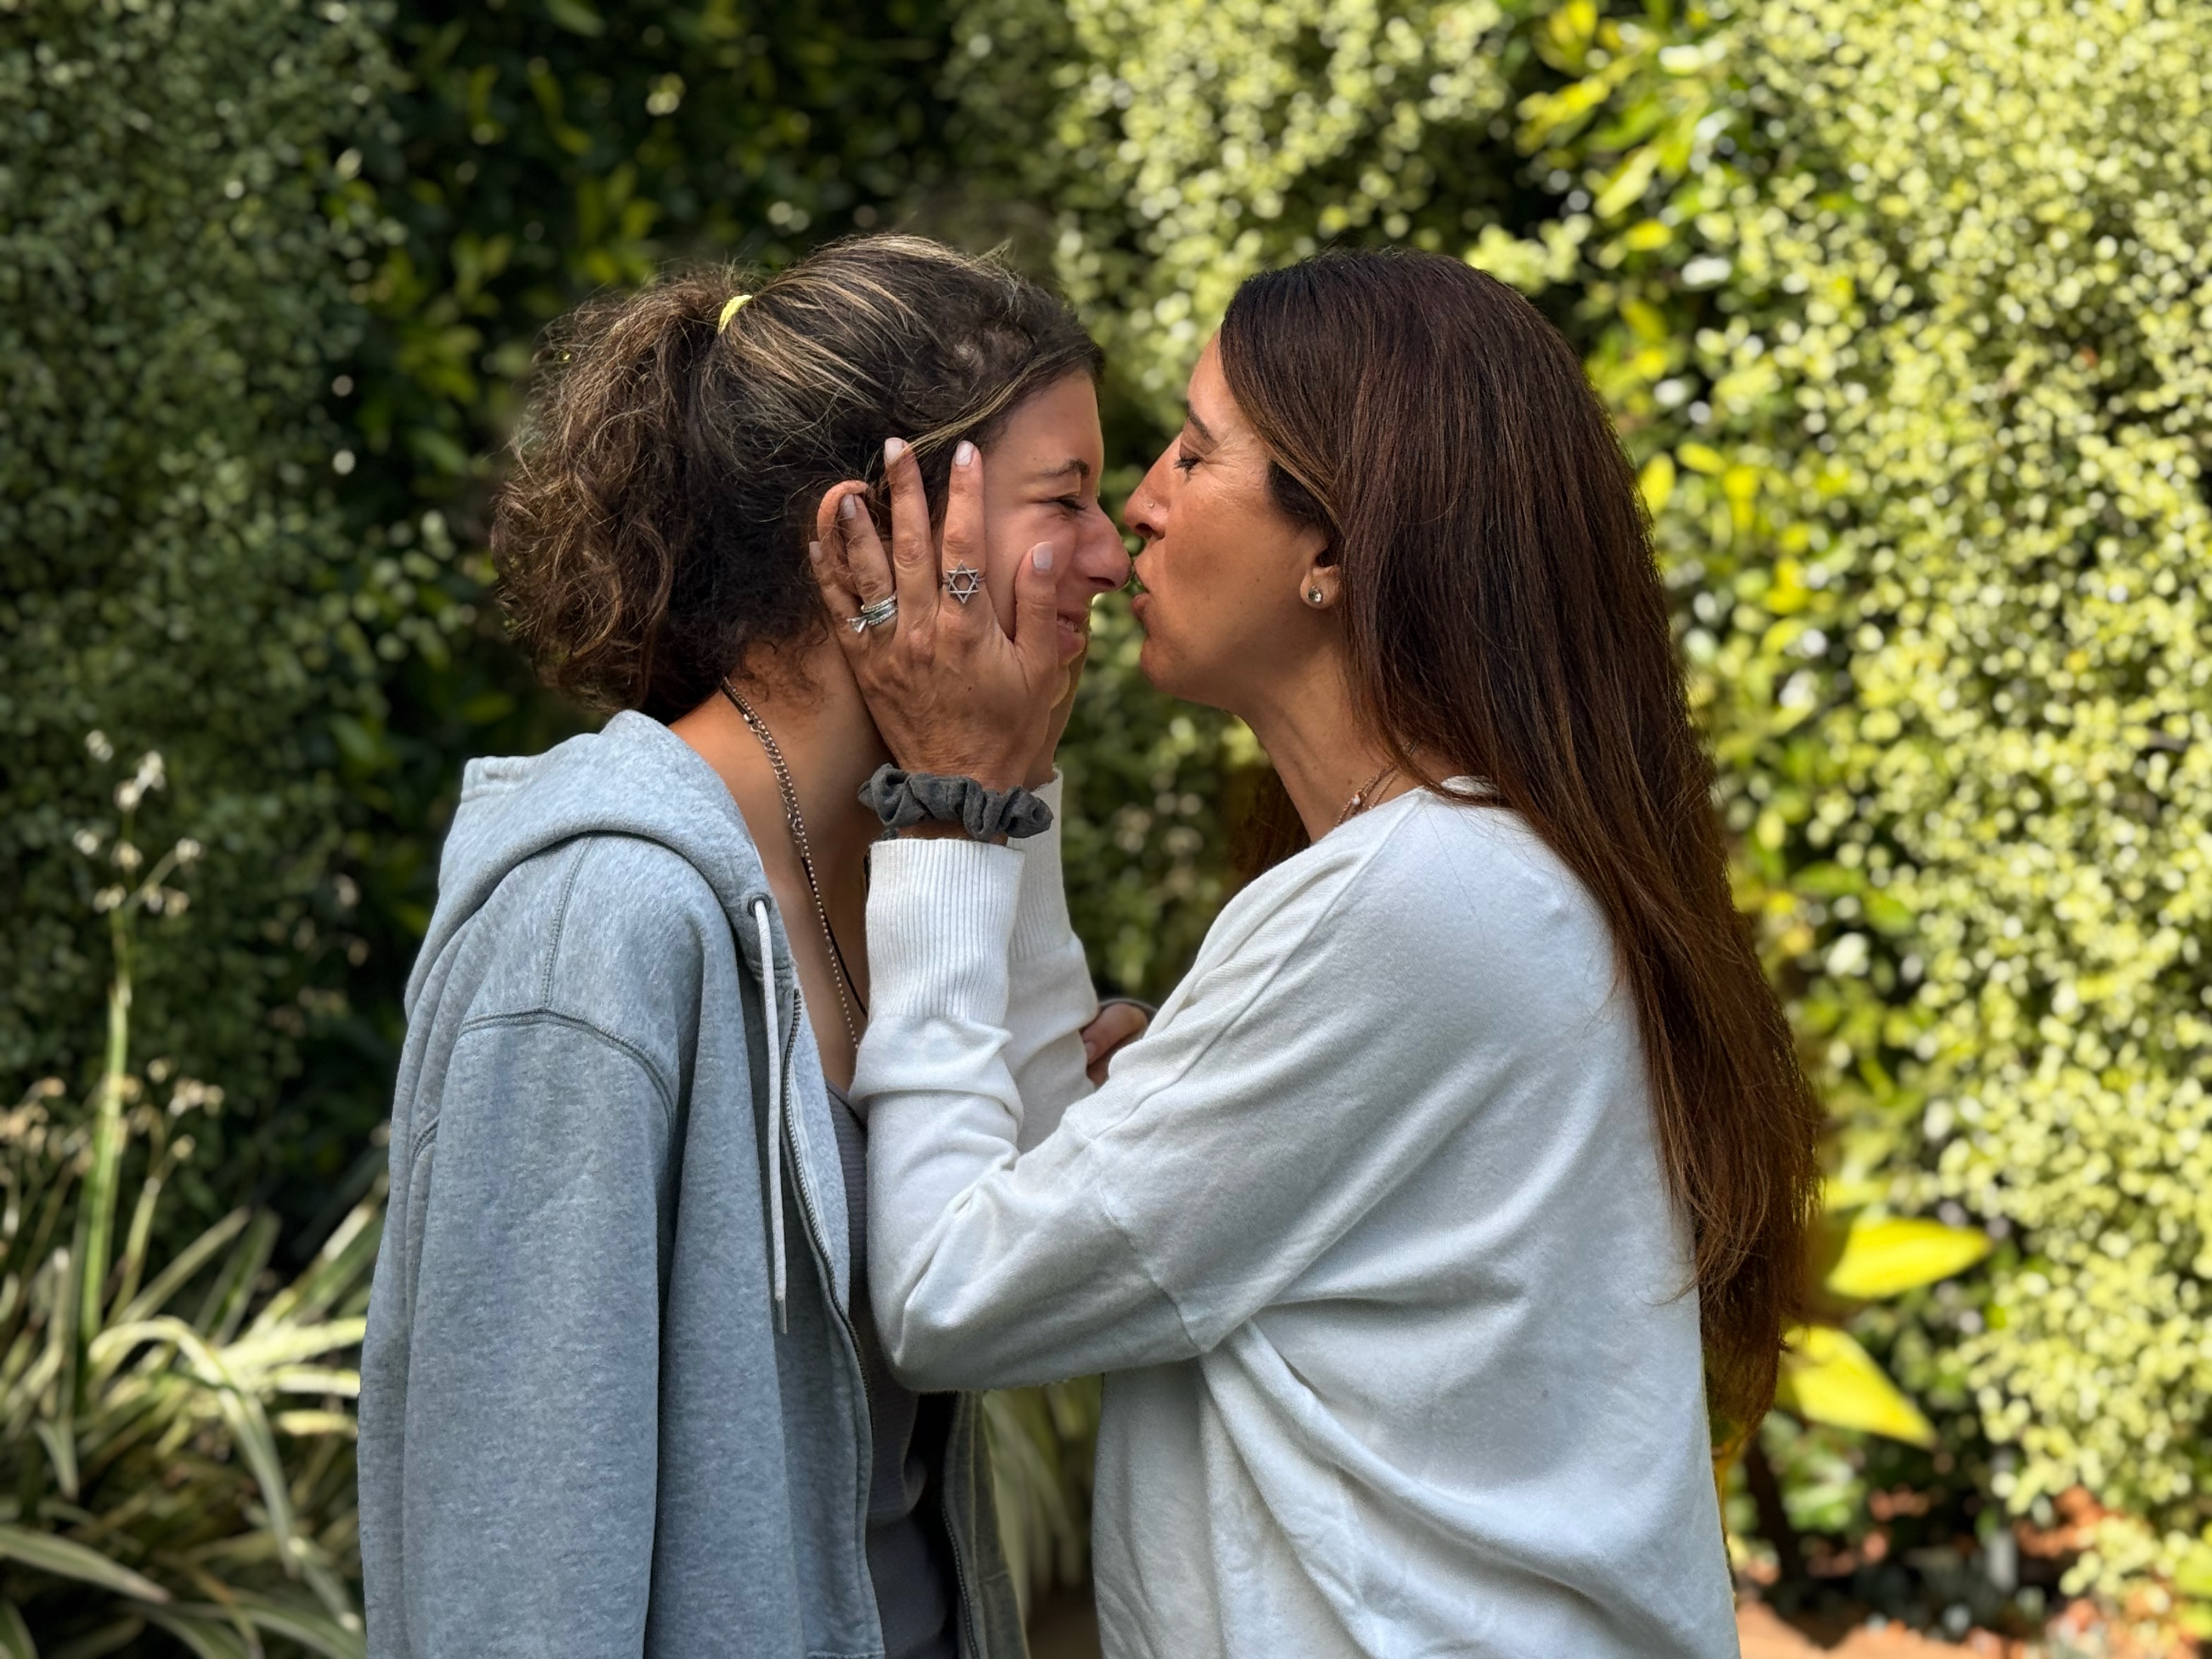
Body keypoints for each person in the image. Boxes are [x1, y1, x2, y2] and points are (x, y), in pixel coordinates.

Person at [816, 248, 1824, 1657]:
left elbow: (946, 1294)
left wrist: (943, 812)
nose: (1138, 513)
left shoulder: (1420, 909)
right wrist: (1003, 791)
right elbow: (1043, 1210)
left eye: (1194, 450)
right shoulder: (1447, 882)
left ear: (1337, 547)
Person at [357, 234, 1133, 1658]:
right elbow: (516, 1562)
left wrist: (996, 795)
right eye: (1064, 500)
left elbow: (1021, 1282)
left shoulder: (910, 875)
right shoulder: (600, 921)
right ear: (873, 530)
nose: (1113, 552)